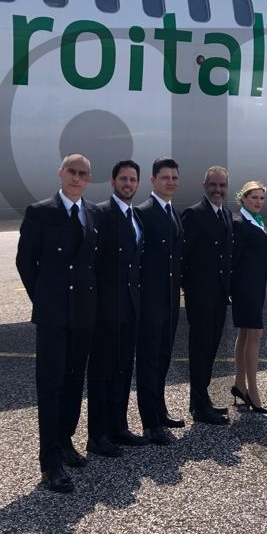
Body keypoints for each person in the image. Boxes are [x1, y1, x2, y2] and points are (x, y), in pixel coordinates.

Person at [15, 153, 100, 494]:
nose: (77, 178)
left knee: (74, 381)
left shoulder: (91, 213)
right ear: (61, 173)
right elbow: (25, 261)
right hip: (53, 315)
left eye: (83, 173)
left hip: (82, 313)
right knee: (50, 386)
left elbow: (94, 262)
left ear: (88, 179)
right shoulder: (41, 212)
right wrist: (43, 298)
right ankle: (50, 463)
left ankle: (65, 441)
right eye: (72, 171)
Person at [85, 160, 149, 457]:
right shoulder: (101, 213)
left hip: (130, 306)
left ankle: (118, 427)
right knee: (102, 372)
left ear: (138, 184)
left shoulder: (135, 216)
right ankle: (97, 436)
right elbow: (92, 261)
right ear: (112, 182)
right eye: (123, 179)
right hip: (107, 307)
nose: (128, 184)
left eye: (132, 180)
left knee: (123, 368)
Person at [134, 158, 184, 444]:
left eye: (174, 178)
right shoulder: (142, 213)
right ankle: (150, 423)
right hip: (150, 300)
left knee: (163, 357)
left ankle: (160, 411)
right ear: (153, 180)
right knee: (149, 361)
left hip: (170, 299)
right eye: (165, 177)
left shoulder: (173, 212)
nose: (170, 182)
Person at [180, 166, 233, 426]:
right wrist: (189, 288)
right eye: (213, 185)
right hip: (200, 295)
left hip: (220, 295)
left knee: (211, 348)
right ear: (204, 186)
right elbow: (182, 256)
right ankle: (199, 406)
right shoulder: (194, 214)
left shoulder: (226, 213)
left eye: (222, 185)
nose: (218, 190)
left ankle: (202, 399)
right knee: (200, 350)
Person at [230, 181, 267, 414]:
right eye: (253, 197)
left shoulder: (257, 220)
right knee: (255, 334)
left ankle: (239, 384)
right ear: (243, 198)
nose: (258, 202)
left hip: (257, 284)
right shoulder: (239, 223)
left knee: (246, 334)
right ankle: (252, 392)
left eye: (261, 198)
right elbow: (234, 258)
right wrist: (232, 288)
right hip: (245, 286)